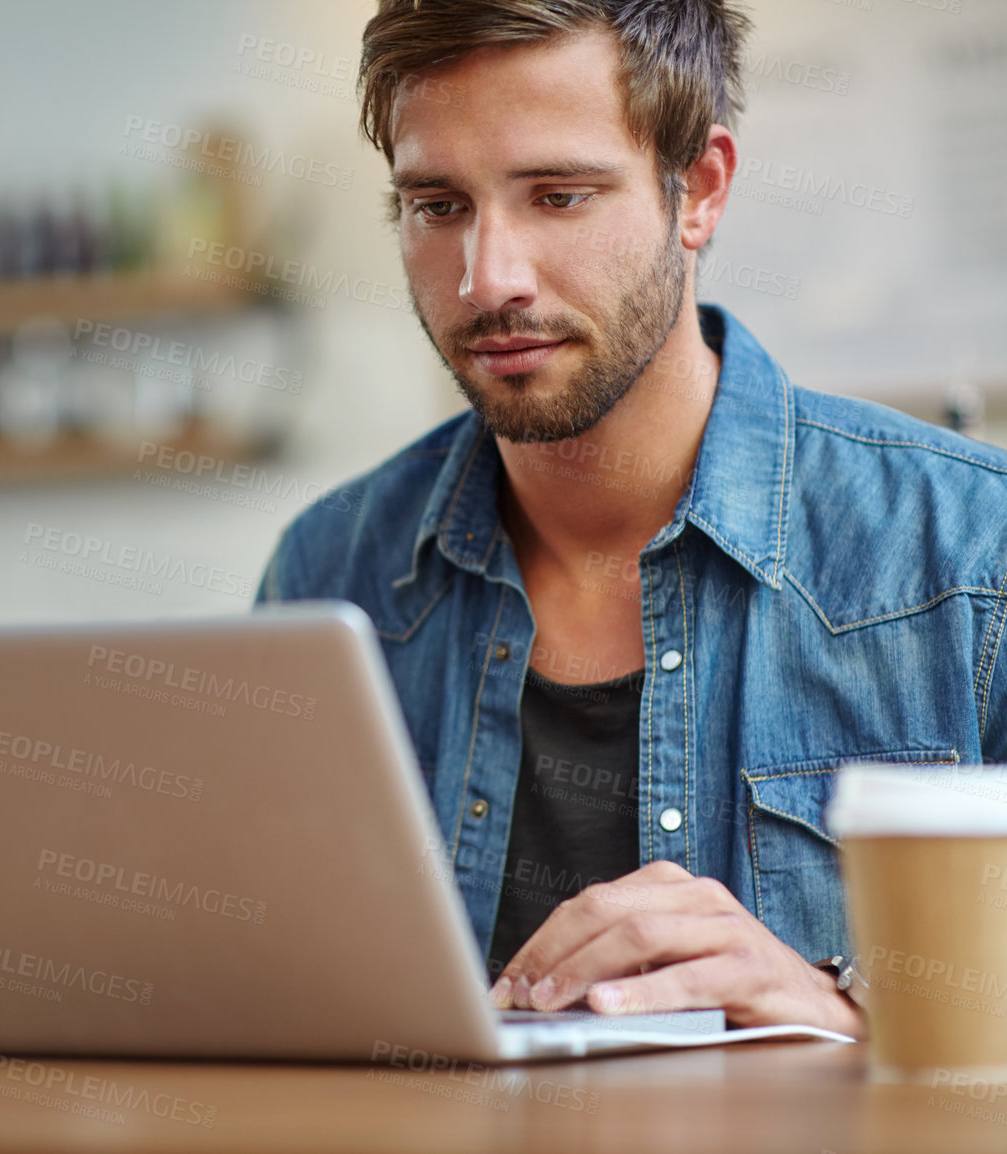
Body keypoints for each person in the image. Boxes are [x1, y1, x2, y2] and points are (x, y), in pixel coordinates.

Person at [257, 0, 1007, 1038]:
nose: (488, 279)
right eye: (436, 206)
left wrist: (845, 1013)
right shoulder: (330, 567)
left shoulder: (972, 551)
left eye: (557, 196)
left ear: (698, 188)